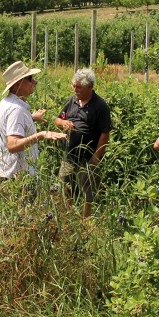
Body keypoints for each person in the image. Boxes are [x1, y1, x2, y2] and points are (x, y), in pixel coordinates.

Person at [55, 68, 111, 217]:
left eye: (79, 87)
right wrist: (63, 123)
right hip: (70, 155)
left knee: (88, 192)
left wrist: (95, 159)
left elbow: (105, 134)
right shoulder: (71, 100)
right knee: (65, 185)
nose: (75, 89)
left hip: (88, 158)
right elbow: (57, 119)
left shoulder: (100, 106)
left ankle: (86, 221)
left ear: (90, 87)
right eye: (74, 86)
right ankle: (68, 216)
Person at [0, 61, 66, 179]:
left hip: (8, 172)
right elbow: (12, 145)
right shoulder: (16, 109)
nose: (35, 82)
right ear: (18, 84)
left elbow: (10, 126)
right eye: (30, 79)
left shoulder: (7, 102)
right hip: (18, 178)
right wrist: (42, 135)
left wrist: (31, 118)